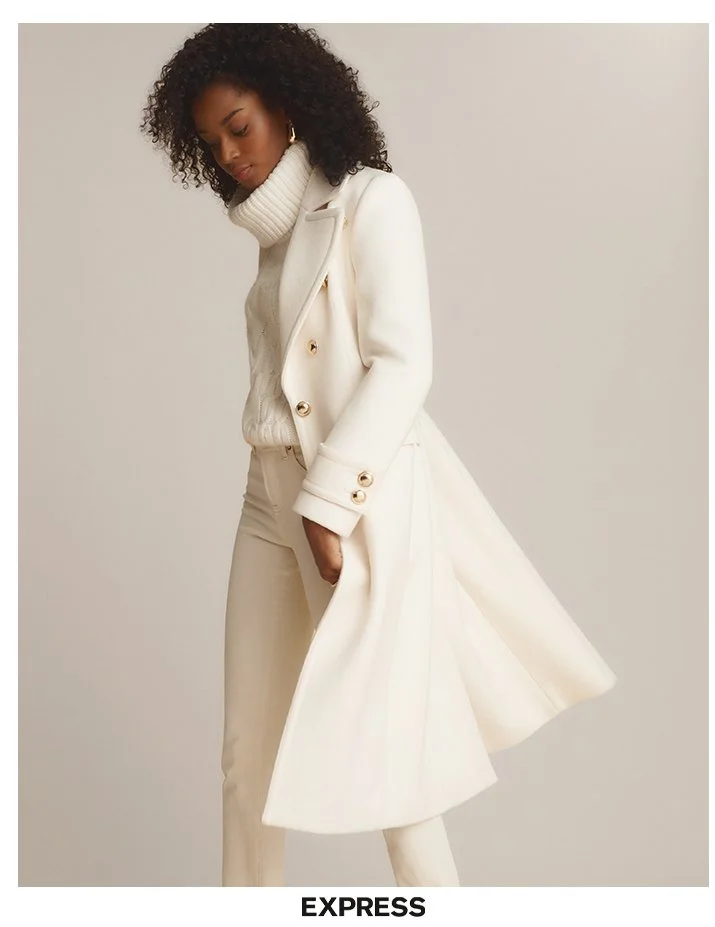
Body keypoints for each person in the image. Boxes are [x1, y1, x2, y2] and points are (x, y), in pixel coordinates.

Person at [140, 23, 618, 888]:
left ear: (286, 104)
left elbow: (404, 363)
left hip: (345, 506)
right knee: (246, 753)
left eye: (238, 127)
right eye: (211, 144)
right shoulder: (273, 235)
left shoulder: (372, 201)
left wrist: (329, 502)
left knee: (392, 756)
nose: (230, 155)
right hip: (263, 496)